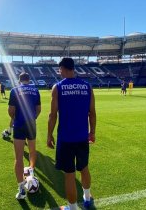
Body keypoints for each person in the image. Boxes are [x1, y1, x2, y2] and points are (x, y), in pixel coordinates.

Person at [47, 58, 96, 210]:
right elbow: (92, 113)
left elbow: (52, 115)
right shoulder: (87, 87)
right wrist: (92, 132)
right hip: (82, 137)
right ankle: (87, 199)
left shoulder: (58, 87)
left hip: (65, 139)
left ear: (63, 68)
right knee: (84, 168)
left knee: (69, 174)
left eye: (59, 69)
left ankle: (72, 207)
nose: (59, 72)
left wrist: (49, 135)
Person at [8, 72, 41, 200]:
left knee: (19, 157)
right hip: (31, 124)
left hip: (20, 125)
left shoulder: (14, 90)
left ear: (19, 80)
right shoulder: (35, 90)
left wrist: (15, 119)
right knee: (32, 150)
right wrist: (33, 118)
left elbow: (11, 110)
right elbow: (38, 109)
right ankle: (31, 169)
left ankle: (21, 189)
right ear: (29, 79)